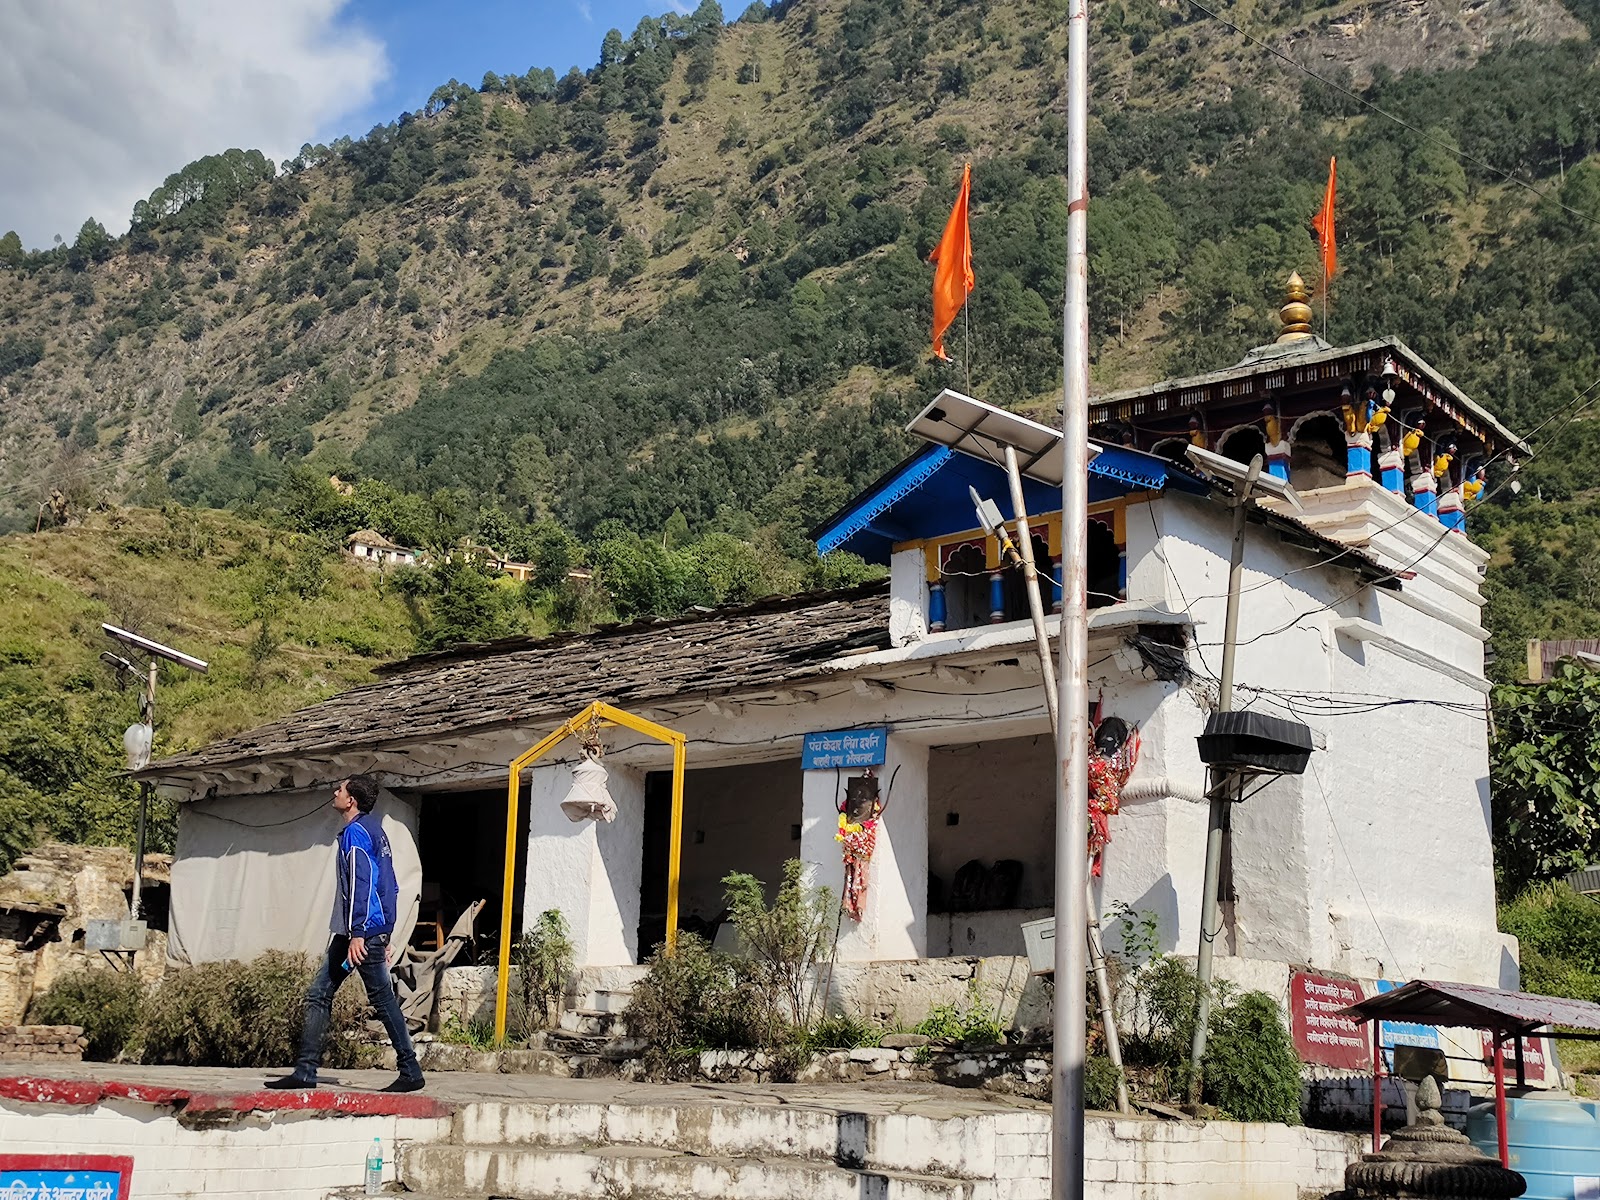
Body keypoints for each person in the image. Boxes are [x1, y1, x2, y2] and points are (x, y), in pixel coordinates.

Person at [267, 775, 424, 1092]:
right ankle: (305, 1071)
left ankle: (410, 1071)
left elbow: (361, 885)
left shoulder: (356, 834)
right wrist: (385, 932)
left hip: (360, 936)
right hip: (360, 933)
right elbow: (390, 886)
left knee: (381, 999)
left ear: (351, 800)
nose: (334, 792)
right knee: (320, 993)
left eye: (339, 789)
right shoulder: (376, 831)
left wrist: (360, 934)